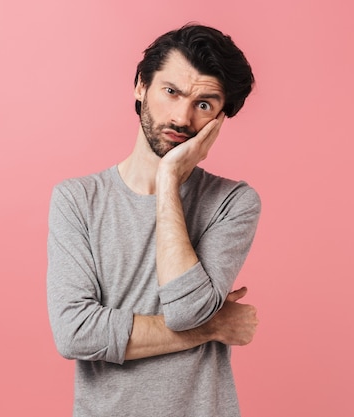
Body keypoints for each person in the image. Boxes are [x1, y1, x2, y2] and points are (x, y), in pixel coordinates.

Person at [47, 23, 261, 417]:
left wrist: (167, 181)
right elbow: (75, 333)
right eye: (171, 92)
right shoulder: (77, 200)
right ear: (140, 87)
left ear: (219, 119)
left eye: (204, 104)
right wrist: (211, 328)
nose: (182, 118)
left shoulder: (233, 202)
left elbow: (185, 310)